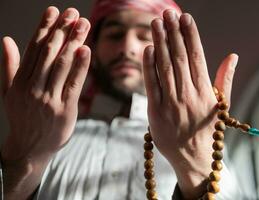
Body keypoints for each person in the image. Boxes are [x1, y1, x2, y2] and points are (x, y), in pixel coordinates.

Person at [0, 0, 241, 199]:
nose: (127, 47)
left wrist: (196, 162)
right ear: (94, 49)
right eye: (115, 34)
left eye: (146, 34)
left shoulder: (213, 148)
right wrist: (23, 157)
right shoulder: (53, 140)